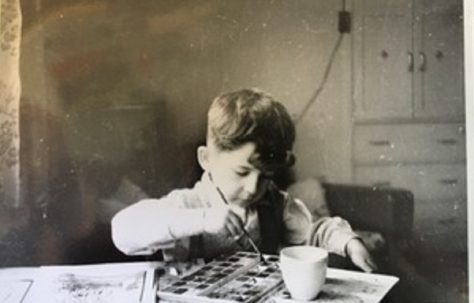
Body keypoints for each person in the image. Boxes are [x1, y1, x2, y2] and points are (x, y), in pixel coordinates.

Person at [111, 88, 376, 272]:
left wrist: (348, 242)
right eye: (241, 172)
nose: (253, 189)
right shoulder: (189, 206)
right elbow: (123, 230)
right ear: (206, 159)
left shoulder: (274, 204)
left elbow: (315, 230)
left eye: (266, 177)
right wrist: (202, 219)